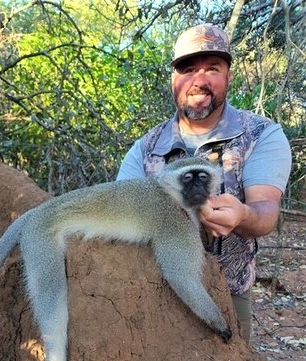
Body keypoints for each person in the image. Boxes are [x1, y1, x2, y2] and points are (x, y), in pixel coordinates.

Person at [117, 24, 292, 343]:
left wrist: (241, 215)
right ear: (174, 79)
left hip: (226, 291)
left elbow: (266, 209)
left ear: (228, 76)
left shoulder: (261, 135)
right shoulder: (145, 148)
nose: (199, 80)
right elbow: (121, 212)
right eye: (188, 69)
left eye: (212, 68)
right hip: (153, 290)